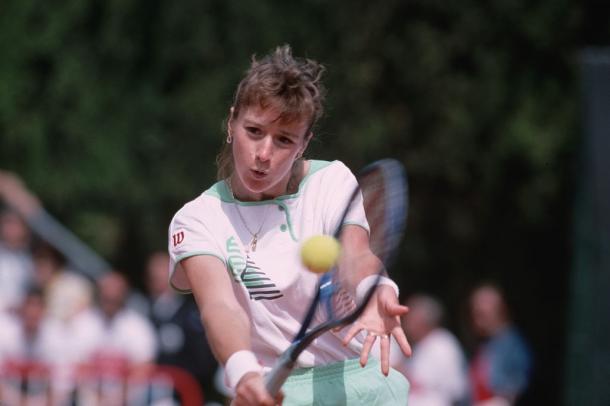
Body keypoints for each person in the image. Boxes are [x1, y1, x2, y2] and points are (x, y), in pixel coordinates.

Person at [168, 45, 411, 406]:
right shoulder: (197, 218)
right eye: (254, 131)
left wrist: (375, 289)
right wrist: (242, 371)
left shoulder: (331, 180)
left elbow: (355, 256)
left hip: (360, 385)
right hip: (272, 391)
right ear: (231, 123)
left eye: (284, 140)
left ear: (303, 144)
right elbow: (220, 306)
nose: (264, 154)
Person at [145, 250, 220, 401]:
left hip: (187, 392)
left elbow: (204, 360)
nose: (158, 280)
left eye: (162, 274)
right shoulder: (143, 314)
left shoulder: (191, 315)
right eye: (154, 276)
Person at [393, 294, 469, 406]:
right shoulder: (422, 345)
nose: (405, 322)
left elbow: (452, 390)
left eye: (409, 317)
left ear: (422, 319)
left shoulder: (442, 343)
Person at [468, 283, 532, 406]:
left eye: (482, 314)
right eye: (475, 314)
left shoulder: (512, 345)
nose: (476, 320)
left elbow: (510, 395)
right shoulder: (486, 344)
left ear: (500, 311)